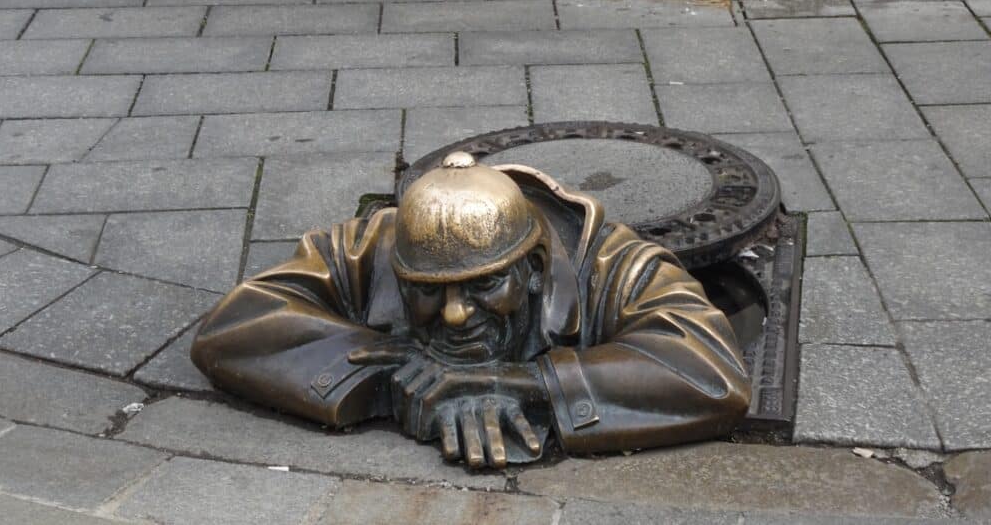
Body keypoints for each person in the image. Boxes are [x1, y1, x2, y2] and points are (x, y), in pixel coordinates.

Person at [191, 152, 750, 469]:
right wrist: (389, 370)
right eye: (428, 291)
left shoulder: (614, 266)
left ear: (534, 267)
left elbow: (711, 370)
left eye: (485, 285)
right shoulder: (375, 247)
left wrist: (524, 384)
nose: (455, 315)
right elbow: (235, 323)